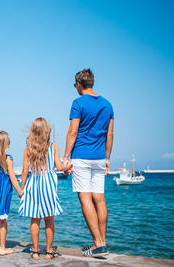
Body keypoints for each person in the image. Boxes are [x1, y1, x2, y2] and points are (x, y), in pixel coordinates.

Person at [63, 69, 114, 257]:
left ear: (78, 84)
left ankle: (97, 244)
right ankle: (102, 243)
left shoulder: (77, 103)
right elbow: (110, 134)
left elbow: (72, 132)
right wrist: (108, 157)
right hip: (100, 157)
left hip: (82, 157)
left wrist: (66, 158)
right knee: (99, 198)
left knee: (85, 199)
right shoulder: (108, 105)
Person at [18, 118, 72, 260]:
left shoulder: (28, 149)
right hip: (48, 185)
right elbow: (59, 167)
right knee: (49, 219)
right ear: (47, 131)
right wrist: (69, 166)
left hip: (33, 184)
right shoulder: (53, 147)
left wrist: (22, 189)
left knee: (35, 219)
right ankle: (48, 251)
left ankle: (35, 251)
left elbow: (24, 171)